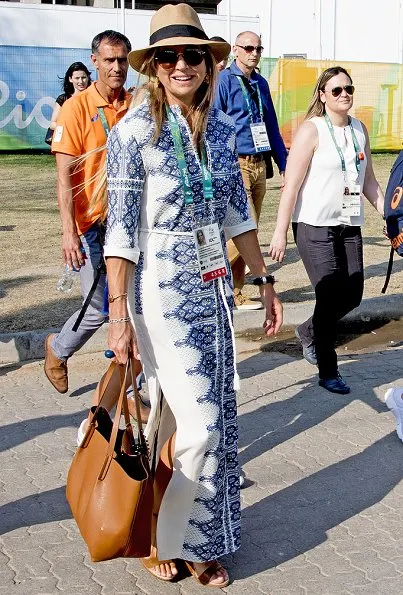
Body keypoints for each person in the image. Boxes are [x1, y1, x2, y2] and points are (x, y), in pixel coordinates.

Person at [103, 3, 283, 587]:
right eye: (169, 56)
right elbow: (122, 231)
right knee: (201, 423)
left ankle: (188, 536)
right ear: (153, 67)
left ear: (209, 64)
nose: (182, 65)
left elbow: (236, 214)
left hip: (212, 291)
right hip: (158, 294)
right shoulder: (134, 131)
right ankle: (175, 538)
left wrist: (263, 279)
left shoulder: (221, 130)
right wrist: (117, 316)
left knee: (197, 415)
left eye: (194, 55)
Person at [269, 66, 384, 394]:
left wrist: (392, 217)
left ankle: (309, 331)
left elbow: (370, 183)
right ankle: (327, 368)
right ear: (322, 95)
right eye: (336, 90)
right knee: (330, 292)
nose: (344, 94)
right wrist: (279, 232)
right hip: (313, 224)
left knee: (354, 293)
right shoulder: (312, 130)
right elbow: (290, 185)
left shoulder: (360, 129)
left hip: (348, 225)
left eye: (349, 88)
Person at [44, 30, 132, 394]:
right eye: (109, 60)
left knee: (130, 306)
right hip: (92, 225)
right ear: (94, 61)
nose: (117, 67)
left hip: (129, 224)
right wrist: (70, 232)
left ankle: (127, 385)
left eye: (123, 60)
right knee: (99, 306)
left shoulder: (135, 103)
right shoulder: (75, 108)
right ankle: (57, 349)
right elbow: (64, 178)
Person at [215, 31, 287, 310]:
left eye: (258, 48)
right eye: (248, 48)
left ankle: (236, 291)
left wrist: (284, 164)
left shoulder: (261, 83)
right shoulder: (223, 82)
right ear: (235, 50)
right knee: (247, 229)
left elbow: (271, 126)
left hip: (260, 164)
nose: (254, 53)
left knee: (248, 228)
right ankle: (207, 269)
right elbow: (216, 126)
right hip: (236, 164)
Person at [48, 62, 92, 133]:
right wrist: (71, 129)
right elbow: (52, 124)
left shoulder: (94, 98)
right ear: (70, 79)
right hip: (68, 140)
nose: (81, 81)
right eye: (77, 78)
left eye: (83, 77)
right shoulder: (63, 99)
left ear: (88, 78)